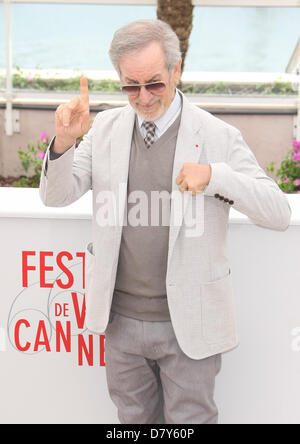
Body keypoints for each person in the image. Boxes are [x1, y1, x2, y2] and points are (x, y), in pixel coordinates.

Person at [39, 19, 291, 424]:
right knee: (133, 423)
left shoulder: (217, 135)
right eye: (130, 85)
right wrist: (65, 142)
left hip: (190, 325)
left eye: (154, 83)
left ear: (176, 71)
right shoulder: (103, 129)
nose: (142, 97)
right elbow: (55, 196)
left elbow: (278, 212)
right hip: (119, 323)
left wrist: (214, 177)